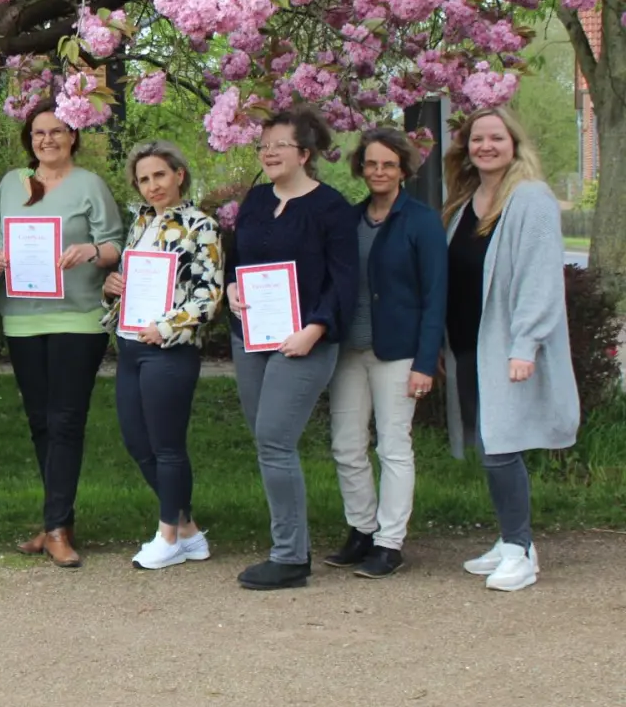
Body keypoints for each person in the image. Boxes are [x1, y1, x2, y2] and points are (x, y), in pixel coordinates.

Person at [0, 101, 124, 569]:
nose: (48, 140)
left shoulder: (89, 185)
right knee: (41, 421)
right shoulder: (11, 184)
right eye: (40, 133)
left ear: (73, 137)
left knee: (65, 420)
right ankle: (54, 519)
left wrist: (91, 251)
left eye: (58, 131)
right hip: (22, 317)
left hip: (77, 318)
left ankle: (58, 527)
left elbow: (115, 243)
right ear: (30, 139)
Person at [443, 106, 579, 592]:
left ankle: (521, 550)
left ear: (514, 144)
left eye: (496, 138)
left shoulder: (531, 198)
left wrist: (525, 345)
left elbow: (541, 278)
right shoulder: (465, 202)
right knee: (489, 444)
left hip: (506, 345)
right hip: (466, 344)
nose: (486, 146)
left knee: (501, 447)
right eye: (477, 139)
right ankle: (510, 539)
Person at [224, 109, 358, 591]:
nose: (270, 152)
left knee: (276, 441)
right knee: (266, 442)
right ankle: (288, 547)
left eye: (280, 144)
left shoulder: (332, 208)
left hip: (303, 343)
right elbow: (237, 262)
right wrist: (230, 291)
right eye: (264, 145)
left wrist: (316, 328)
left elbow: (344, 281)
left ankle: (290, 556)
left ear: (305, 153)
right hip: (251, 337)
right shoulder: (257, 200)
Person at [324, 128, 447, 579]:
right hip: (349, 350)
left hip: (398, 351)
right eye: (371, 163)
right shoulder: (350, 219)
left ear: (403, 170)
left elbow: (436, 296)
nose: (379, 171)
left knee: (394, 446)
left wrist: (424, 362)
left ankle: (390, 542)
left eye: (388, 165)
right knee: (346, 445)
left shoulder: (420, 220)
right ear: (360, 166)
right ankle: (362, 528)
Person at [101, 141, 223, 570]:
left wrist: (166, 327)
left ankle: (168, 535)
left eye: (160, 175)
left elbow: (209, 298)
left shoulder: (201, 226)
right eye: (144, 179)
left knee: (167, 447)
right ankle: (189, 530)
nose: (153, 185)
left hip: (169, 350)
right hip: (131, 344)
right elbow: (136, 280)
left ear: (179, 175)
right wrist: (112, 288)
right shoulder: (139, 222)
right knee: (138, 442)